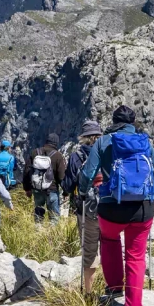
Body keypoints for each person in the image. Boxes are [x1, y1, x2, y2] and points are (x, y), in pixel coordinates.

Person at [80, 105, 154, 306]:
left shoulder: (103, 141)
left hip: (111, 207)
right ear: (132, 122)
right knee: (136, 256)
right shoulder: (144, 141)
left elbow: (88, 173)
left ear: (114, 120)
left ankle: (115, 287)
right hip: (142, 209)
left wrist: (82, 190)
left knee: (109, 240)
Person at [62, 120, 104, 293]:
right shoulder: (108, 153)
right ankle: (113, 290)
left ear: (83, 138)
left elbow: (68, 186)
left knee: (89, 252)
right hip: (111, 210)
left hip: (87, 210)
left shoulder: (76, 157)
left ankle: (89, 293)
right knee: (112, 248)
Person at [23, 133, 66, 223]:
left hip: (37, 189)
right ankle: (52, 236)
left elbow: (27, 171)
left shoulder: (35, 152)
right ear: (56, 143)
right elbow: (61, 176)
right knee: (54, 217)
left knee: (38, 215)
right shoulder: (58, 156)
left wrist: (27, 189)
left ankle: (38, 233)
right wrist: (65, 192)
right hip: (52, 190)